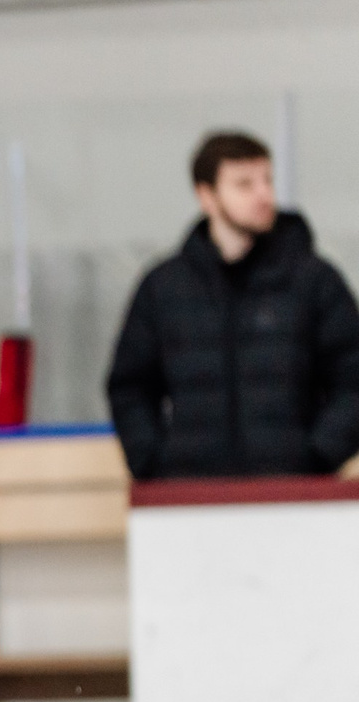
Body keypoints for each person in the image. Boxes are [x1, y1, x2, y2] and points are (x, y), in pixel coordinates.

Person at [107, 129, 359, 480]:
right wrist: (154, 463)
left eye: (267, 181)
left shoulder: (313, 280)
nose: (263, 195)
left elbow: (352, 376)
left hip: (293, 496)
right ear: (206, 195)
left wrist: (317, 455)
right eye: (244, 184)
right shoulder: (164, 287)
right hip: (192, 498)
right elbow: (131, 385)